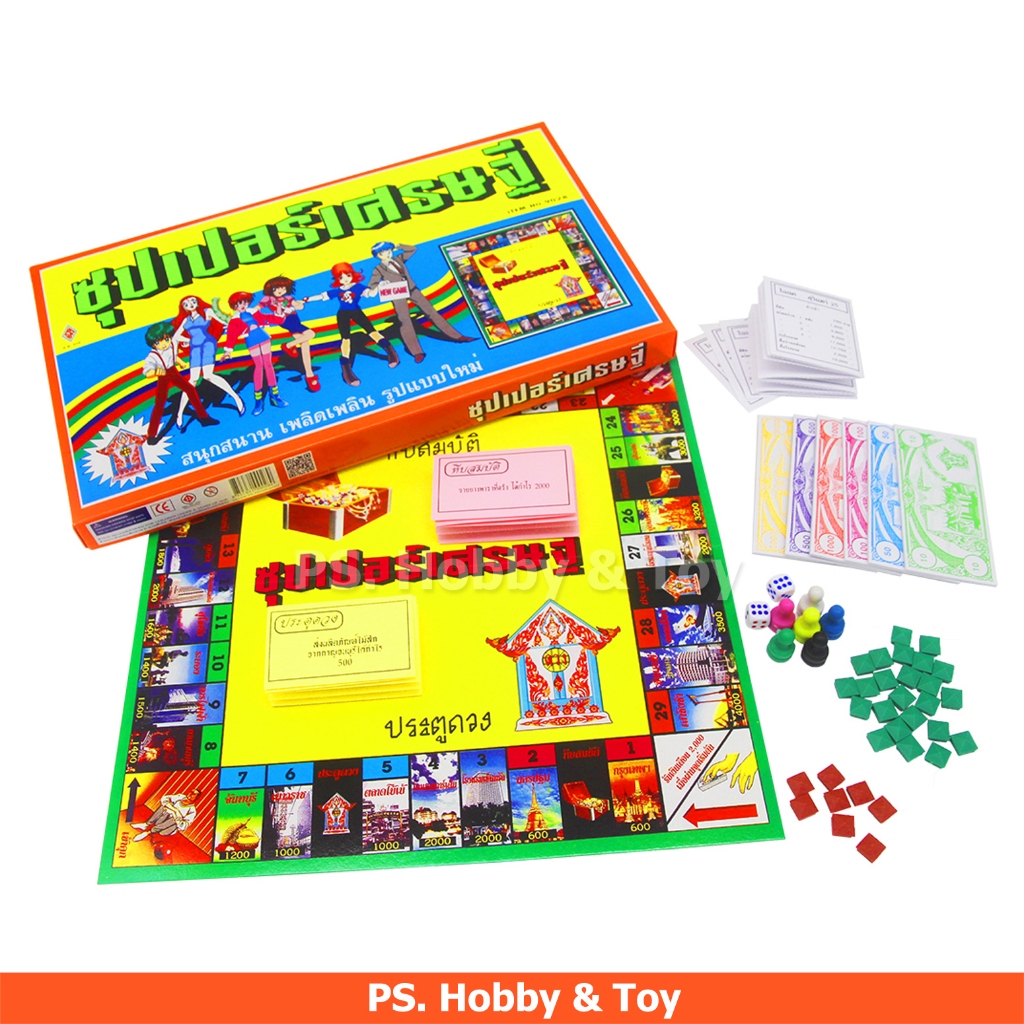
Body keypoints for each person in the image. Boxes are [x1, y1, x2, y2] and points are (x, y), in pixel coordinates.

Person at [366, 241, 475, 362]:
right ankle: (417, 352)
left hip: (412, 289)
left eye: (389, 250)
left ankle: (458, 336)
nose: (388, 253)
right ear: (378, 255)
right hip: (397, 294)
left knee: (431, 312)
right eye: (384, 252)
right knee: (405, 321)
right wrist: (379, 285)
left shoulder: (398, 259)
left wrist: (398, 246)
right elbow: (372, 284)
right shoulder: (378, 269)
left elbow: (412, 249)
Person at [305, 262, 400, 386]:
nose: (345, 279)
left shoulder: (358, 287)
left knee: (372, 332)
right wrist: (307, 299)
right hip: (342, 314)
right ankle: (347, 371)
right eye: (341, 277)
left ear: (352, 274)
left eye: (348, 275)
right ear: (337, 279)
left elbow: (370, 294)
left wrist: (378, 286)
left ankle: (391, 354)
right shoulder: (338, 290)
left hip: (356, 311)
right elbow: (323, 296)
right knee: (345, 340)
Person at [171, 296, 245, 425]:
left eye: (193, 301)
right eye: (186, 304)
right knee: (192, 381)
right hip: (195, 348)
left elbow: (224, 322)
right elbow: (175, 337)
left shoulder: (207, 312)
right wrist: (188, 342)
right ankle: (180, 413)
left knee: (208, 376)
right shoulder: (186, 320)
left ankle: (236, 397)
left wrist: (239, 328)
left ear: (198, 302)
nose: (190, 304)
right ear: (183, 308)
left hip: (208, 345)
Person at [142, 321, 218, 443]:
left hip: (173, 371)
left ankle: (204, 417)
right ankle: (151, 434)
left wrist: (180, 362)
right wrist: (155, 372)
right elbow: (147, 372)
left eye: (166, 339)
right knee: (160, 403)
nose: (163, 344)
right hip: (163, 375)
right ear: (153, 344)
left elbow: (172, 356)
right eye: (158, 342)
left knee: (190, 389)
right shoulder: (153, 356)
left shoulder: (172, 344)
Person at [216, 292, 289, 415]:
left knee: (268, 364)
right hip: (251, 340)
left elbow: (270, 318)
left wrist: (279, 311)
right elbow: (231, 336)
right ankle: (258, 401)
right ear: (234, 307)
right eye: (238, 304)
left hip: (263, 337)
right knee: (259, 366)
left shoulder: (254, 312)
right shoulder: (234, 321)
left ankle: (275, 396)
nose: (242, 306)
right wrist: (228, 351)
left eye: (243, 302)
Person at [257, 276, 319, 392]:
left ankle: (309, 374)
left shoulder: (288, 298)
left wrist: (298, 305)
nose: (280, 290)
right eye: (276, 288)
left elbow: (298, 306)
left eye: (283, 288)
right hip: (284, 320)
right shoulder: (268, 299)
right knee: (311, 333)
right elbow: (258, 307)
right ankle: (288, 345)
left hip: (294, 318)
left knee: (305, 343)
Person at [130, 788, 201, 841]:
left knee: (173, 820)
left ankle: (147, 833)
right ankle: (146, 825)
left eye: (194, 794)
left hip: (168, 828)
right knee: (163, 807)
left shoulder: (192, 810)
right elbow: (164, 799)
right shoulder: (180, 797)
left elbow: (184, 826)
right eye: (191, 792)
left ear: (196, 798)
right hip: (162, 818)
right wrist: (175, 810)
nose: (190, 794)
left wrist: (176, 815)